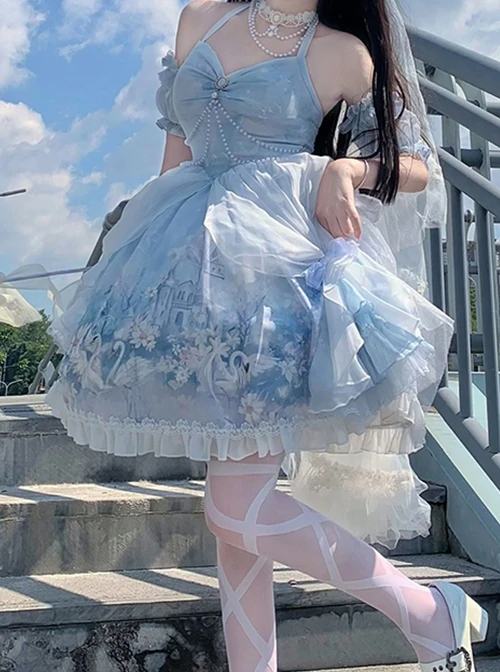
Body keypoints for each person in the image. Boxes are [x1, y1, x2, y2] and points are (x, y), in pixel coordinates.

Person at [4, 0, 486, 670]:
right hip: (188, 269)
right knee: (236, 528)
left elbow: (416, 164)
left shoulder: (344, 51)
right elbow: (176, 156)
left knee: (235, 508)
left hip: (277, 280)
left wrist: (347, 169)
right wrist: (141, 263)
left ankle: (428, 612)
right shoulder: (200, 18)